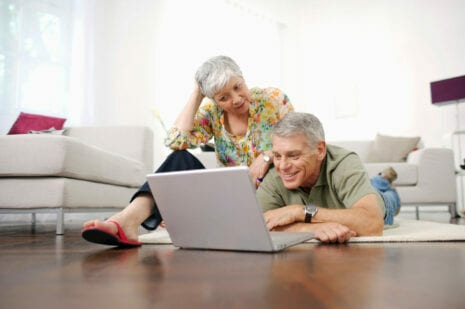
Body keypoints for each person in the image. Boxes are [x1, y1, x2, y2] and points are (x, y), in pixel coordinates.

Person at [82, 55, 294, 247]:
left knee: (274, 174)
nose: (236, 99)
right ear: (213, 100)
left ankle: (194, 219)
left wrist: (267, 156)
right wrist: (196, 94)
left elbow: (299, 139)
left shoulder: (272, 99)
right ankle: (126, 221)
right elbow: (176, 140)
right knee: (179, 158)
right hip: (231, 195)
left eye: (238, 87)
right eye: (223, 97)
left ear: (243, 77)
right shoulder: (212, 113)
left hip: (270, 189)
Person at [256, 112, 385, 243]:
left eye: (294, 155)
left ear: (320, 150)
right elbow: (255, 225)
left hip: (383, 201)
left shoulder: (344, 163)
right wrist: (311, 229)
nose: (283, 166)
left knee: (384, 191)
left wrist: (299, 212)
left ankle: (384, 181)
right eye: (277, 156)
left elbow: (372, 224)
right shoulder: (273, 173)